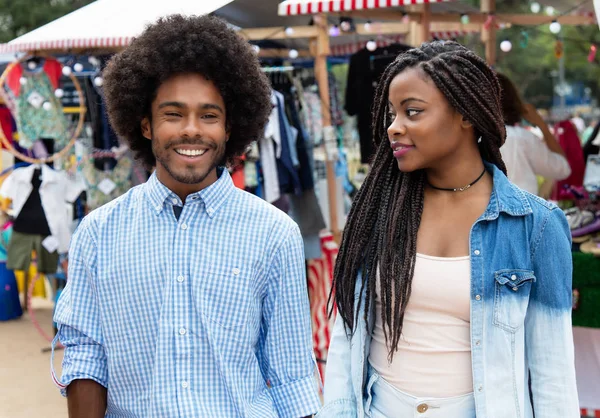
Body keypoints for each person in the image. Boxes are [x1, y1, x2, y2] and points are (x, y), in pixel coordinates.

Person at [52, 15, 321, 418]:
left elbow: (292, 376)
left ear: (230, 127)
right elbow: (86, 355)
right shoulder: (98, 233)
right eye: (173, 114)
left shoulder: (274, 233)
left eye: (209, 116)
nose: (192, 131)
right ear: (145, 124)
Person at [318, 41, 578, 418]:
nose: (394, 127)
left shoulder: (534, 226)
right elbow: (346, 337)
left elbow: (553, 374)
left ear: (465, 115)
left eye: (412, 112)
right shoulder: (378, 211)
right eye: (392, 113)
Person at [496, 73, 571, 196]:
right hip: (521, 211)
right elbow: (562, 169)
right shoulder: (522, 138)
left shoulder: (471, 138)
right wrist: (542, 125)